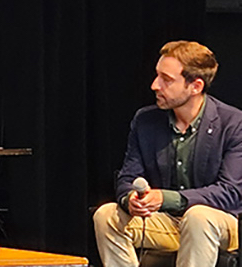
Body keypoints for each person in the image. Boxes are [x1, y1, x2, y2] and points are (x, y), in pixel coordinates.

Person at [93, 41, 242, 267]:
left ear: (195, 86)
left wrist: (166, 198)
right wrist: (130, 199)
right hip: (167, 222)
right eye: (157, 76)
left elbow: (230, 192)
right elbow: (127, 177)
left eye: (167, 80)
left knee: (198, 216)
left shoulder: (233, 123)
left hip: (220, 222)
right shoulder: (146, 121)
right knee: (106, 216)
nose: (155, 85)